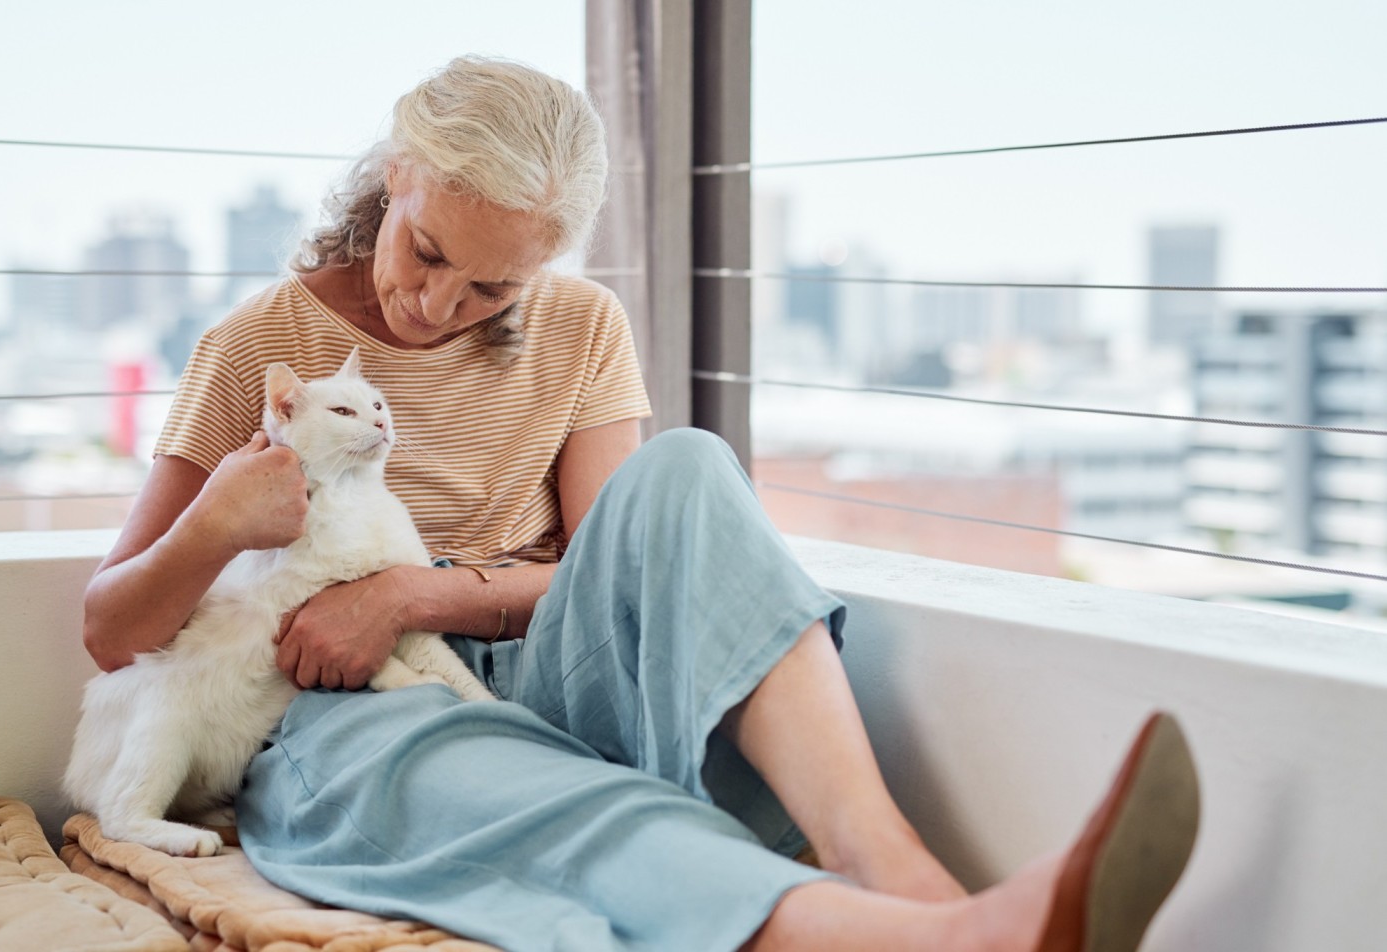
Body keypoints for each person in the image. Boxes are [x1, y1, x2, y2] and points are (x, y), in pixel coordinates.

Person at [80, 56, 1199, 952]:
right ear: (398, 172)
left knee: (688, 468)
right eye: (426, 252)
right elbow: (111, 628)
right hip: (343, 707)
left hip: (531, 659)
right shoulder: (257, 350)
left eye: (493, 287)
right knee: (532, 792)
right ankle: (930, 943)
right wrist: (220, 521)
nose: (437, 303)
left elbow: (610, 568)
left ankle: (892, 865)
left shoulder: (582, 331)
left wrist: (419, 591)